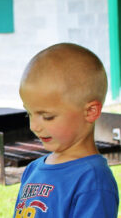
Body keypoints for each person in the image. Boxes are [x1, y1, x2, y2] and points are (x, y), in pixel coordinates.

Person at [13, 43, 119, 218]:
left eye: (47, 117)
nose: (34, 126)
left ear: (90, 112)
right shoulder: (33, 169)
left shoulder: (93, 181)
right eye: (29, 114)